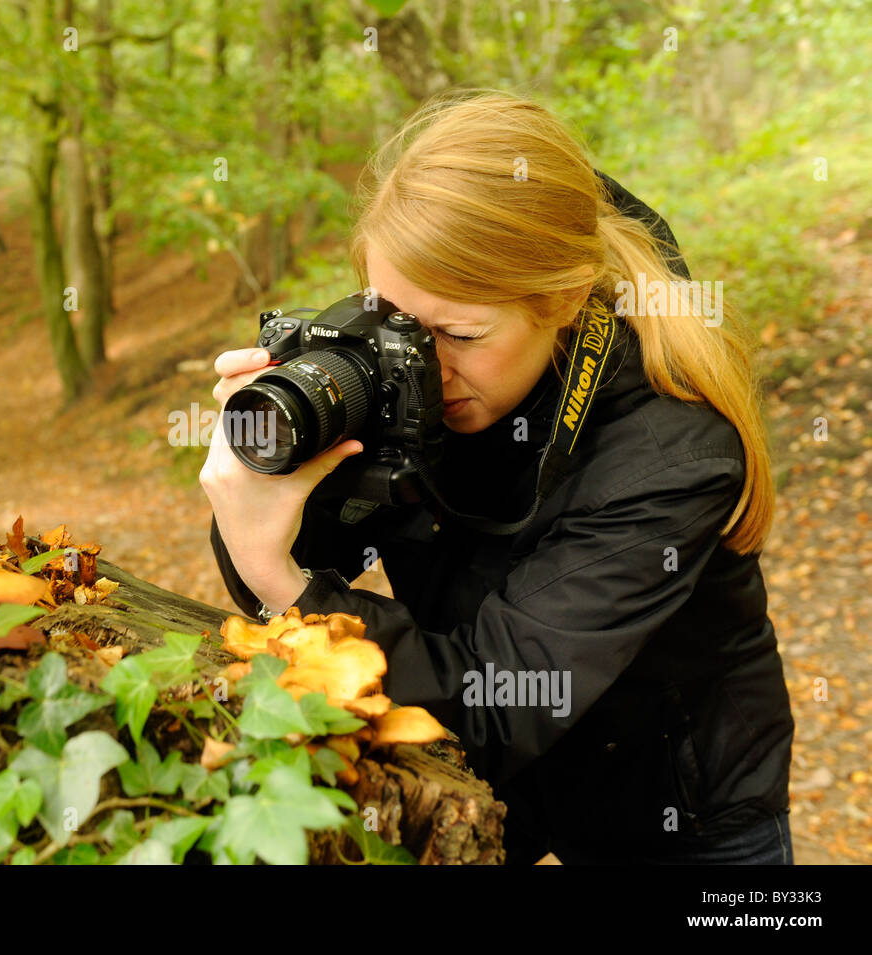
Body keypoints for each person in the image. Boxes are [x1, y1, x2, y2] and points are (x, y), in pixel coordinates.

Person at [201, 90, 794, 865]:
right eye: (398, 322)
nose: (421, 364)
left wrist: (281, 581)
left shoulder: (671, 451)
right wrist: (275, 459)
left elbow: (500, 695)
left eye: (460, 332)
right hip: (504, 784)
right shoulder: (434, 381)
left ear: (566, 298)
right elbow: (308, 556)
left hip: (680, 811)